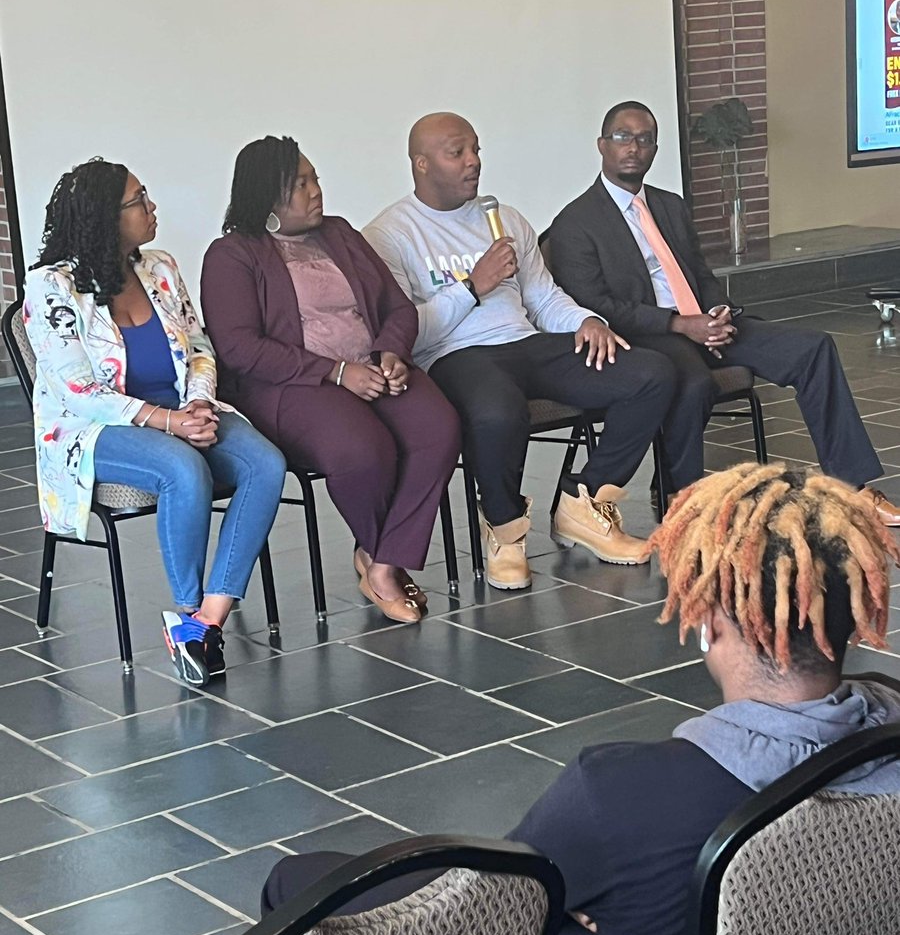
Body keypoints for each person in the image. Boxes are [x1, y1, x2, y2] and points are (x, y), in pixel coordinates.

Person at [260, 462, 900, 935]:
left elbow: (493, 913)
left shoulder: (626, 792)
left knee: (299, 879)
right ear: (850, 612)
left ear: (709, 619)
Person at [542, 100, 900, 525]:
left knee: (814, 348)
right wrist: (679, 324)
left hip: (705, 324)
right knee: (692, 382)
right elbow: (597, 306)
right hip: (649, 336)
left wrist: (717, 311)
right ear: (602, 145)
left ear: (655, 149)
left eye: (645, 139)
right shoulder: (574, 222)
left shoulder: (670, 205)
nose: (634, 147)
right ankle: (681, 498)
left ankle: (851, 488)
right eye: (623, 137)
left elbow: (700, 273)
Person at [362, 112, 680, 591]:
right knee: (498, 410)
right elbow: (408, 333)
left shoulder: (504, 218)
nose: (473, 163)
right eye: (458, 153)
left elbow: (542, 297)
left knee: (651, 372)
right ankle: (506, 532)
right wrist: (473, 286)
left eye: (476, 150)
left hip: (526, 343)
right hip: (455, 355)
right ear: (421, 164)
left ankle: (585, 503)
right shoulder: (389, 235)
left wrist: (586, 321)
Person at [24, 158, 286, 686]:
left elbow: (199, 347)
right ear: (105, 216)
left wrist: (199, 404)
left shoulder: (159, 268)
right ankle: (189, 610)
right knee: (184, 470)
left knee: (266, 462)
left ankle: (204, 622)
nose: (152, 207)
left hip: (181, 412)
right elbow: (79, 390)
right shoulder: (52, 287)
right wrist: (168, 422)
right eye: (139, 200)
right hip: (95, 429)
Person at [201, 136, 460, 624]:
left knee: (438, 428)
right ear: (268, 197)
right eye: (300, 184)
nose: (316, 190)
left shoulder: (340, 234)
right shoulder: (233, 255)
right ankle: (384, 559)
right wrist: (336, 372)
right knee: (361, 450)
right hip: (293, 387)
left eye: (314, 178)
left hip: (371, 366)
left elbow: (396, 307)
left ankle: (381, 560)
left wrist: (391, 353)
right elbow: (239, 347)